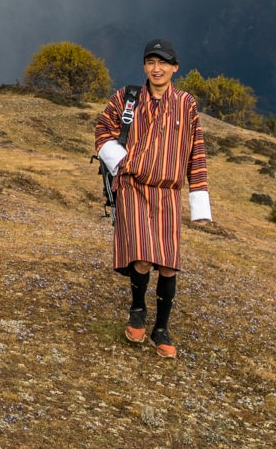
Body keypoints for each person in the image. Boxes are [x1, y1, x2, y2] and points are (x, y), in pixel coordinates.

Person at [94, 37, 211, 358]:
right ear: (144, 66)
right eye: (150, 62)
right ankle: (137, 311)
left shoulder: (186, 105)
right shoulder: (127, 98)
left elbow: (196, 151)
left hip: (169, 192)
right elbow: (103, 129)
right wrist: (123, 162)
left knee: (169, 263)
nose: (156, 69)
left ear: (175, 68)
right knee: (144, 256)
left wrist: (199, 200)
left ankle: (162, 327)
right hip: (134, 186)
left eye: (163, 63)